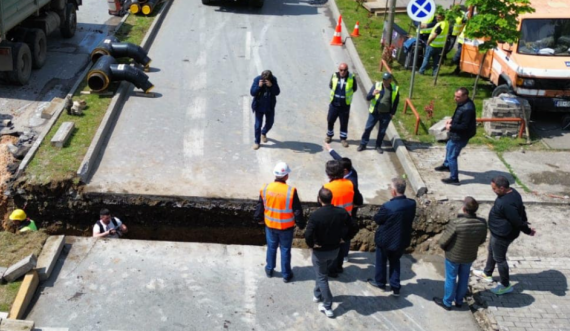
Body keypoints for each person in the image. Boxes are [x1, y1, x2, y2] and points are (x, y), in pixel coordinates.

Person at [473, 176, 536, 295]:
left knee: (500, 259)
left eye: (494, 188)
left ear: (502, 188)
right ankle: (487, 273)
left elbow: (516, 220)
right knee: (491, 250)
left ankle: (505, 285)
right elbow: (522, 209)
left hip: (503, 235)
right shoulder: (513, 192)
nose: (493, 190)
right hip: (497, 232)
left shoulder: (506, 203)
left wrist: (527, 230)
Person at [304, 188, 352, 318]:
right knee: (322, 274)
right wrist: (345, 239)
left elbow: (308, 234)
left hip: (320, 252)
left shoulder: (316, 215)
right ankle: (317, 294)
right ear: (332, 199)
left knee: (322, 277)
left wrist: (311, 245)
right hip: (335, 251)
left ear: (319, 199)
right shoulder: (341, 213)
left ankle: (327, 305)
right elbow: (354, 227)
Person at [433, 197, 487, 310]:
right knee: (464, 278)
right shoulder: (482, 223)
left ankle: (447, 302)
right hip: (469, 256)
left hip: (453, 256)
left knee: (451, 278)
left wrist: (447, 248)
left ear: (464, 209)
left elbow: (443, 241)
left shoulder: (456, 223)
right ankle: (459, 301)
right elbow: (482, 240)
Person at [254, 161, 305, 283]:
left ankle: (269, 269)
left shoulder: (265, 188)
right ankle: (286, 275)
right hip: (286, 228)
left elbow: (260, 206)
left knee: (271, 248)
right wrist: (301, 224)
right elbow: (297, 210)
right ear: (286, 176)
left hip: (270, 226)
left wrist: (258, 219)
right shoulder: (291, 191)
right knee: (285, 250)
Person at [368, 178, 416, 296]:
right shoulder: (412, 203)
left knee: (381, 261)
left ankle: (380, 282)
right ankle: (395, 287)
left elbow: (378, 219)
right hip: (401, 240)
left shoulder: (388, 206)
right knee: (395, 262)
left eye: (390, 188)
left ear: (394, 191)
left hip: (385, 240)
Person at [324, 142, 362, 270]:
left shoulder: (351, 182)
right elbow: (339, 160)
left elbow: (358, 201)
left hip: (346, 214)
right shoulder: (350, 170)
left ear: (344, 171)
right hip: (344, 213)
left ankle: (343, 255)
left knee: (343, 238)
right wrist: (330, 149)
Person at [434, 87, 476, 185]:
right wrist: (452, 119)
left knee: (453, 156)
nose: (455, 99)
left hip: (460, 136)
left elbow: (464, 126)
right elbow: (458, 114)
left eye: (458, 97)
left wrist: (451, 127)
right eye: (455, 96)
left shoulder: (468, 109)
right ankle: (447, 165)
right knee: (449, 146)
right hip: (456, 135)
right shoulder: (463, 103)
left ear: (465, 96)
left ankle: (454, 178)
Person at [322, 159, 354, 277]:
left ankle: (331, 270)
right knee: (342, 246)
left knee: (332, 247)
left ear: (328, 174)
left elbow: (320, 203)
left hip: (332, 223)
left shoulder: (326, 187)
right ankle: (338, 267)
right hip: (345, 222)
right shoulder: (350, 184)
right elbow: (358, 200)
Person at [357, 72, 400, 154]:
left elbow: (396, 103)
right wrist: (373, 94)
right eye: (383, 79)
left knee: (382, 131)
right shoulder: (377, 85)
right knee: (368, 128)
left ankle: (378, 146)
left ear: (390, 80)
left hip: (386, 114)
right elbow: (368, 98)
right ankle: (363, 144)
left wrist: (392, 113)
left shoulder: (394, 89)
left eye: (386, 79)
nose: (384, 81)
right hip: (374, 112)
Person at [326, 63, 358, 147]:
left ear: (347, 70)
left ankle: (343, 138)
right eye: (341, 70)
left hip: (344, 105)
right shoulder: (334, 76)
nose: (343, 72)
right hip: (334, 104)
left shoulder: (351, 78)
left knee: (344, 122)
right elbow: (331, 86)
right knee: (330, 119)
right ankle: (329, 135)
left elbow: (354, 88)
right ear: (338, 69)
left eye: (344, 70)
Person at [250, 70, 280, 150]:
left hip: (269, 106)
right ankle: (257, 142)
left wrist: (271, 86)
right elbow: (252, 93)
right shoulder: (257, 79)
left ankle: (263, 133)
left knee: (270, 123)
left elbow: (277, 92)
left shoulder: (273, 80)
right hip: (259, 106)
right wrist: (259, 86)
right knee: (257, 125)